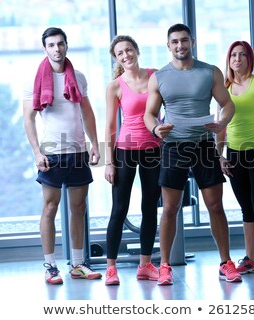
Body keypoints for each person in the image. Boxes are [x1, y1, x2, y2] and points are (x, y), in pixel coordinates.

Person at [144, 23, 241, 285]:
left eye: (184, 40)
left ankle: (225, 262)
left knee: (215, 206)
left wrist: (222, 124)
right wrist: (156, 128)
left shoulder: (210, 72)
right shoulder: (159, 77)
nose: (180, 45)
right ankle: (164, 266)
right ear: (168, 45)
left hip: (202, 144)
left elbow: (227, 104)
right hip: (173, 145)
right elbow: (149, 113)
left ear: (192, 42)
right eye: (174, 41)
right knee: (170, 209)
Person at [23, 27, 102, 284]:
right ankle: (50, 266)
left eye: (60, 44)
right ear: (45, 48)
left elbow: (87, 113)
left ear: (66, 45)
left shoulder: (77, 77)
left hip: (78, 151)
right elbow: (29, 119)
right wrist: (36, 152)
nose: (57, 49)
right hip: (52, 154)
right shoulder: (33, 79)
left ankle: (78, 264)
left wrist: (94, 144)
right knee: (49, 208)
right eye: (51, 45)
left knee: (79, 208)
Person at [216, 40, 254, 277]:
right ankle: (250, 259)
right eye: (233, 55)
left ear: (249, 58)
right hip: (233, 154)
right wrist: (219, 155)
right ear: (229, 60)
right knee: (246, 209)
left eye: (242, 55)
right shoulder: (224, 88)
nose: (237, 59)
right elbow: (221, 125)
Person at [104, 35, 161, 286]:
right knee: (119, 209)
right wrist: (108, 161)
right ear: (116, 58)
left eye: (129, 50)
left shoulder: (155, 76)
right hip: (125, 149)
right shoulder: (115, 85)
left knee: (149, 207)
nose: (126, 55)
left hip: (153, 148)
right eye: (120, 53)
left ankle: (145, 265)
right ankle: (111, 267)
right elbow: (109, 125)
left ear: (137, 51)